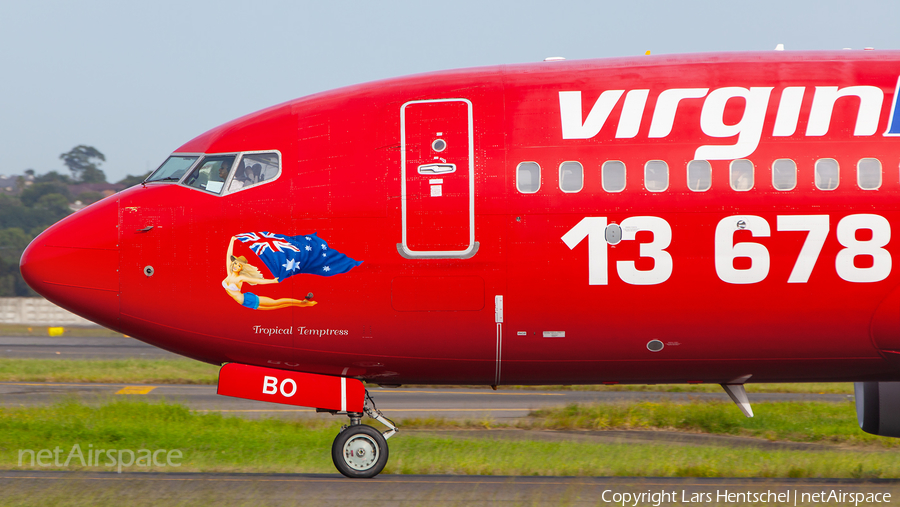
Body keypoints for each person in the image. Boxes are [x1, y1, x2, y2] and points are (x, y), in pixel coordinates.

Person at [222, 236, 317, 310]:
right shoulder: (229, 273)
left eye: (239, 265)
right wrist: (232, 240)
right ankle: (303, 303)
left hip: (248, 299)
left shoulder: (240, 277)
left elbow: (258, 281)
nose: (235, 266)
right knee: (277, 306)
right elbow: (228, 255)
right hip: (245, 303)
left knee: (276, 302)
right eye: (235, 263)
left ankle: (302, 302)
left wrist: (273, 281)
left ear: (241, 269)